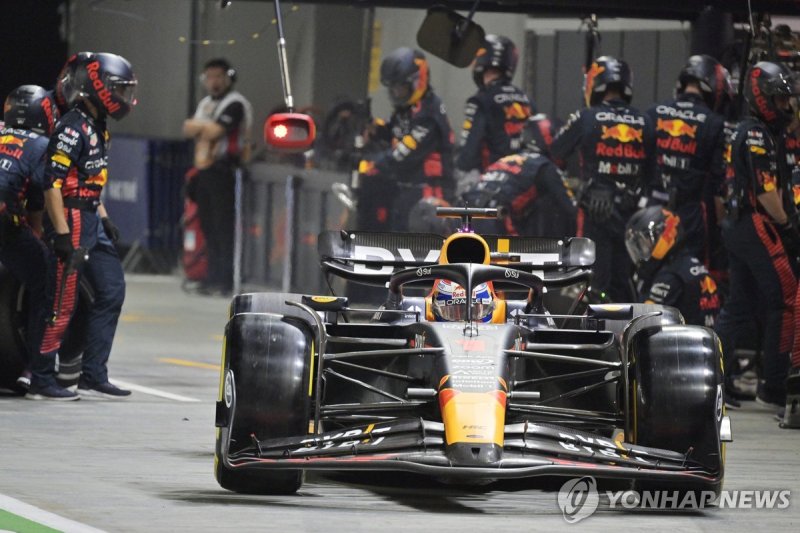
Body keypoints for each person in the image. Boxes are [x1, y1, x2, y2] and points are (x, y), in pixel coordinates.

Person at [35, 52, 137, 400]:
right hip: (73, 222)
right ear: (99, 88)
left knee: (111, 290)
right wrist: (62, 234)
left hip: (92, 217)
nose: (125, 97)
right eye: (119, 89)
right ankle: (41, 379)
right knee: (61, 302)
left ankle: (94, 374)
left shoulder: (99, 127)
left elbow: (89, 181)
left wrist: (105, 220)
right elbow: (52, 184)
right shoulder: (71, 127)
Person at [715, 61, 799, 410]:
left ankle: (713, 380)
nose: (787, 106)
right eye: (780, 100)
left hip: (738, 226)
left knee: (739, 307)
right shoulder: (756, 135)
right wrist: (790, 227)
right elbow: (767, 195)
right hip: (755, 223)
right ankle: (775, 385)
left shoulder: (753, 130)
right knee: (787, 298)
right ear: (762, 97)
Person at [550, 56, 655, 302]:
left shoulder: (586, 116)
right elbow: (652, 177)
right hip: (632, 217)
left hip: (595, 213)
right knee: (624, 281)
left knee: (590, 281)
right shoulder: (646, 121)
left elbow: (555, 152)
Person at [0, 85, 59, 392]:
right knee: (47, 280)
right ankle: (37, 373)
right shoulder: (43, 145)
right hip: (4, 223)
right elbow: (42, 195)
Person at [645, 55, 730, 260]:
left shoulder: (653, 112)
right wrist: (723, 227)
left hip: (650, 210)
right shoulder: (714, 123)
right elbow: (720, 187)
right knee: (688, 277)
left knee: (648, 274)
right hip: (690, 216)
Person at [361, 47, 454, 231]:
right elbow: (394, 131)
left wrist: (369, 164)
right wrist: (375, 129)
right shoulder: (407, 109)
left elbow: (403, 154)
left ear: (417, 82)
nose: (396, 94)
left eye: (400, 88)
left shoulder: (429, 114)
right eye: (393, 89)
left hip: (429, 194)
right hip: (406, 191)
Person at [183, 58, 252, 294]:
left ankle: (225, 279)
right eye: (209, 76)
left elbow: (214, 131)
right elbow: (187, 127)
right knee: (208, 227)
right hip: (204, 171)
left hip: (225, 170)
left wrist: (202, 127)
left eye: (218, 76)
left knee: (224, 228)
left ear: (228, 78)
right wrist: (205, 128)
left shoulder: (235, 104)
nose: (213, 82)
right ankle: (211, 276)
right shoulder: (205, 103)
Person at [461, 114, 577, 237]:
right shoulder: (544, 166)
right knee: (518, 253)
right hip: (495, 216)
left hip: (463, 210)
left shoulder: (505, 159)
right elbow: (572, 208)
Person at [625, 206, 720, 327]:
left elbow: (642, 322)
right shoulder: (690, 263)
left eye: (643, 245)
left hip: (684, 341)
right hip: (706, 337)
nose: (641, 252)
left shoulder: (669, 277)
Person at [456, 35, 532, 180]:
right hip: (526, 180)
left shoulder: (481, 100)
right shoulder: (526, 99)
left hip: (495, 180)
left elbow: (467, 155)